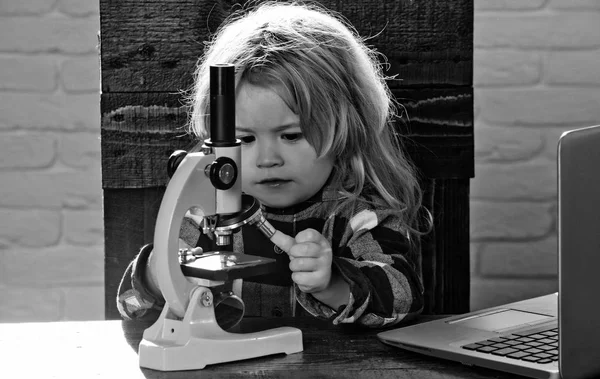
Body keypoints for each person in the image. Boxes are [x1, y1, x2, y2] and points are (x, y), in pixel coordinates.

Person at [117, 1, 428, 328]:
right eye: (245, 140)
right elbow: (129, 304)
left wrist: (332, 283)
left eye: (292, 135)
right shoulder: (203, 213)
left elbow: (406, 299)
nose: (268, 159)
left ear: (346, 127)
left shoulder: (360, 215)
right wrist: (158, 273)